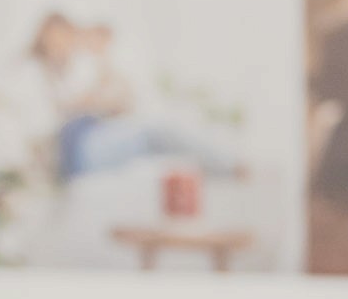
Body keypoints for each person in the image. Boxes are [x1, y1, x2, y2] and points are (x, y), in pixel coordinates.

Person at [26, 13, 239, 183]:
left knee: (159, 135)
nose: (66, 47)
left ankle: (226, 165)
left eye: (68, 40)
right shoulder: (34, 73)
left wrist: (103, 83)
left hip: (89, 138)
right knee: (157, 131)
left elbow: (117, 100)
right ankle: (230, 166)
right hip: (77, 150)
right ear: (45, 39)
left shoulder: (69, 72)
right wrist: (92, 99)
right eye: (60, 40)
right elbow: (51, 121)